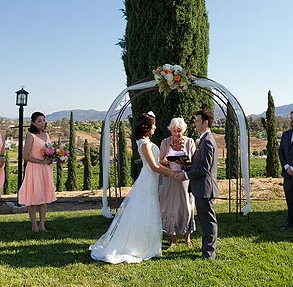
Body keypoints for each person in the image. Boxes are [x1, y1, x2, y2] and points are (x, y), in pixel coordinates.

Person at [90, 112, 172, 263]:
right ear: (147, 126)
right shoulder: (145, 143)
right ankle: (138, 246)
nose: (155, 126)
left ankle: (149, 244)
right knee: (144, 210)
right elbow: (153, 166)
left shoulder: (145, 141)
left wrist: (169, 160)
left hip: (150, 179)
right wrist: (172, 173)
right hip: (147, 180)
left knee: (149, 209)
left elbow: (157, 163)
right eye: (153, 124)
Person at [174, 109, 219, 259]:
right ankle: (206, 248)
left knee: (208, 221)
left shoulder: (207, 141)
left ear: (205, 122)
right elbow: (199, 165)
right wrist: (186, 164)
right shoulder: (204, 140)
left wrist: (185, 174)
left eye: (197, 120)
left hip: (205, 188)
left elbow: (205, 168)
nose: (195, 123)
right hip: (201, 188)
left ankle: (209, 253)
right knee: (205, 220)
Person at [158, 117, 196, 248]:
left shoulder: (190, 142)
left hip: (185, 179)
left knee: (187, 207)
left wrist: (184, 162)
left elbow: (194, 162)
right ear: (171, 130)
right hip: (170, 179)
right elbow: (159, 162)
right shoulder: (165, 142)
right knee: (171, 207)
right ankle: (173, 238)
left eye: (179, 131)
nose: (176, 134)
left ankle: (187, 237)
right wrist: (168, 160)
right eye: (174, 131)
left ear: (183, 130)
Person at [18, 111, 57, 232]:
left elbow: (49, 150)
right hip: (35, 169)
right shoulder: (31, 136)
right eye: (39, 121)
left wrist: (53, 158)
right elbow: (25, 156)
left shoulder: (47, 135)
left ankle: (42, 225)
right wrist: (41, 162)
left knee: (44, 196)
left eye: (44, 120)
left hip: (46, 169)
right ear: (33, 123)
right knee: (34, 195)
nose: (42, 123)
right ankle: (34, 225)